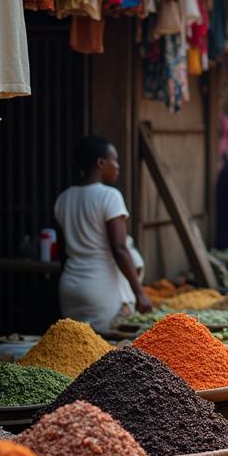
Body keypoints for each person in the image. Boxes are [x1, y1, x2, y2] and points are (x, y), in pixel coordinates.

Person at [54, 135, 152, 330]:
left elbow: (63, 250)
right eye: (114, 160)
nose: (118, 166)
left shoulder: (63, 198)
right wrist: (139, 292)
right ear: (100, 163)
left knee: (75, 350)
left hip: (69, 286)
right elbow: (119, 248)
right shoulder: (110, 196)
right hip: (101, 287)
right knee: (103, 351)